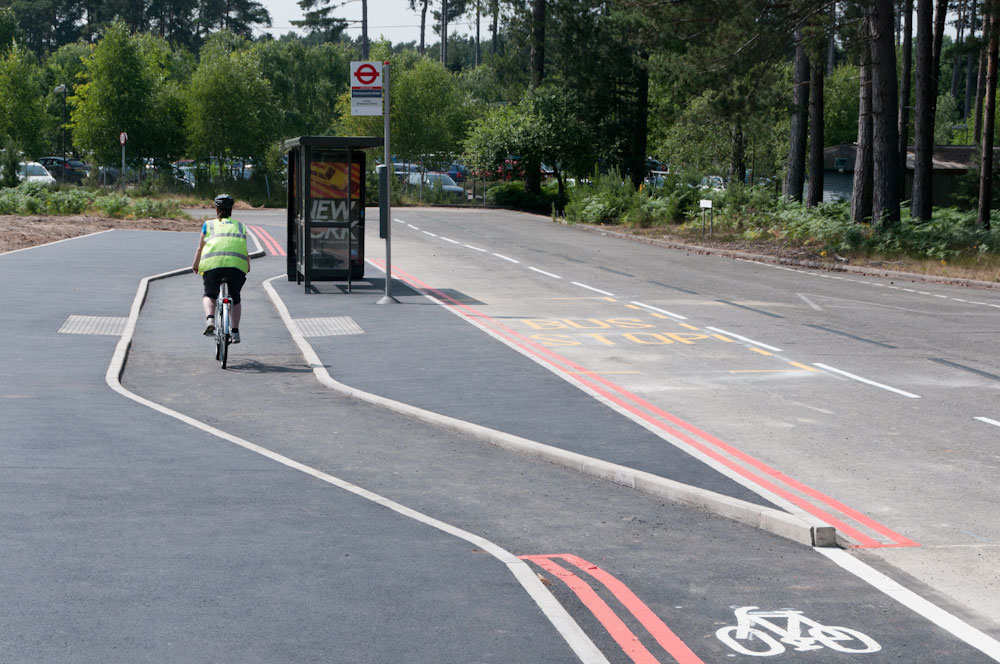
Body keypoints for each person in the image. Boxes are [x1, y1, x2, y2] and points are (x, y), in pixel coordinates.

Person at [192, 194, 249, 344]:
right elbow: (244, 249)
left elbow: (200, 248)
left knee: (209, 294)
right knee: (235, 298)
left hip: (212, 266)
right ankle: (235, 332)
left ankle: (210, 319)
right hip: (236, 267)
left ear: (216, 209)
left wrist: (196, 265)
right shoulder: (241, 226)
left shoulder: (208, 225)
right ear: (231, 210)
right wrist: (247, 266)